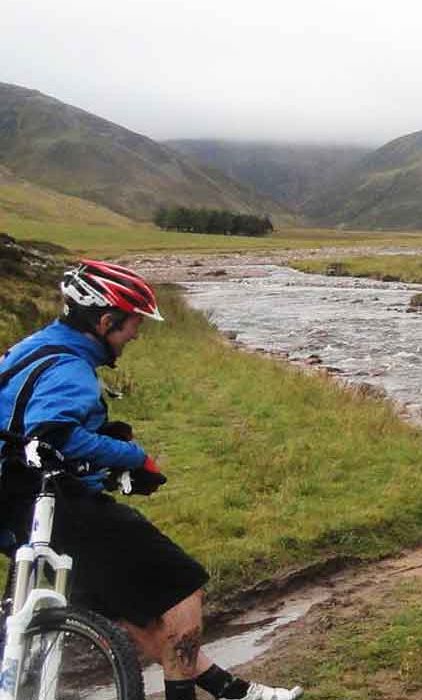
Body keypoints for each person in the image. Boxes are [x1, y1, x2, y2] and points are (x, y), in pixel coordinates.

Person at [0, 260, 303, 700]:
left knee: (132, 611)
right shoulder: (71, 368)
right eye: (131, 325)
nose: (136, 334)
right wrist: (135, 458)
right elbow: (55, 434)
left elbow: (25, 426)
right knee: (181, 593)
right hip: (46, 502)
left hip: (11, 504)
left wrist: (104, 454)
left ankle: (234, 692)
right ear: (106, 321)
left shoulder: (29, 348)